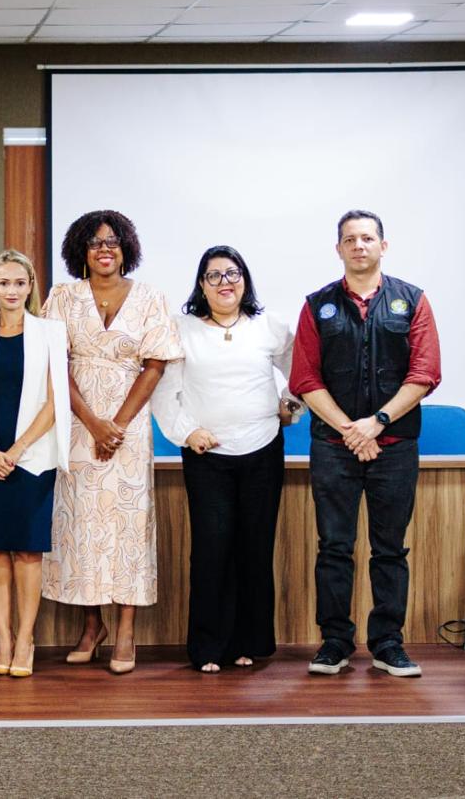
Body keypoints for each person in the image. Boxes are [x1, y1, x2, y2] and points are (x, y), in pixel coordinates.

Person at [290, 209, 441, 678]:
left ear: (383, 246)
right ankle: (334, 642)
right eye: (350, 239)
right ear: (338, 249)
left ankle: (387, 643)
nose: (359, 246)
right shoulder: (318, 305)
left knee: (389, 549)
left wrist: (375, 423)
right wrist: (350, 431)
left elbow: (425, 373)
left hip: (394, 445)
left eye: (368, 238)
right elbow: (305, 378)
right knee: (334, 546)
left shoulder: (412, 301)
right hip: (334, 447)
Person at [42, 210, 182, 675]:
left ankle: (125, 631)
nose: (105, 250)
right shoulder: (62, 297)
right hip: (78, 425)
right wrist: (93, 422)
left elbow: (155, 365)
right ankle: (91, 626)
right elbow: (55, 364)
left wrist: (116, 425)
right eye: (95, 243)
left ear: (127, 249)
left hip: (130, 427)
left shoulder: (151, 298)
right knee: (80, 526)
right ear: (81, 250)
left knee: (127, 528)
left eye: (114, 242)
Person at [151, 245, 296, 673]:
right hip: (207, 454)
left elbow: (301, 374)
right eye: (214, 276)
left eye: (232, 274)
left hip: (263, 450)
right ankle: (208, 648)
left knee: (254, 548)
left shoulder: (270, 327)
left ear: (245, 279)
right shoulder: (183, 329)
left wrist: (290, 407)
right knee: (212, 550)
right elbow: (164, 390)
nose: (225, 283)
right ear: (201, 284)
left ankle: (247, 643)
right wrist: (185, 432)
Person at [0, 250, 69, 678]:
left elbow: (56, 400)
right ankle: (3, 638)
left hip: (32, 459)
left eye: (19, 283)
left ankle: (26, 639)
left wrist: (18, 449)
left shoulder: (50, 333)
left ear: (30, 286)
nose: (11, 291)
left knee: (26, 551)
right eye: (4, 283)